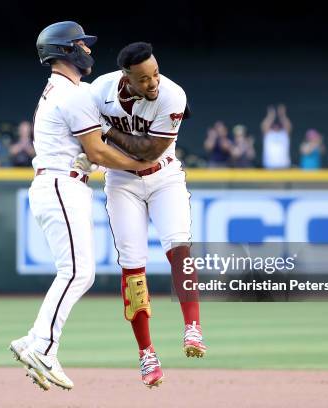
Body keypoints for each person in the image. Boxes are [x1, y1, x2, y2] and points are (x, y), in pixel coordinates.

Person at [8, 21, 153, 392]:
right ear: (66, 50)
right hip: (60, 183)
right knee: (76, 272)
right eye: (82, 45)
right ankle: (42, 346)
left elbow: (105, 96)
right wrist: (141, 165)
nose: (88, 50)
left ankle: (37, 342)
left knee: (76, 271)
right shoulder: (69, 94)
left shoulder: (71, 90)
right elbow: (97, 150)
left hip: (61, 183)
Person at [88, 42, 207, 387]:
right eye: (144, 79)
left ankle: (193, 327)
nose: (154, 82)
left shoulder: (172, 95)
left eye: (155, 72)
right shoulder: (99, 92)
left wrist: (106, 132)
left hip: (164, 176)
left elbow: (149, 152)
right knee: (133, 266)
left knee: (179, 248)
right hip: (121, 182)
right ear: (126, 78)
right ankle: (146, 353)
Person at [261, 104, 292, 169]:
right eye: (274, 126)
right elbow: (264, 126)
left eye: (278, 126)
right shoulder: (269, 135)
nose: (276, 127)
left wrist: (282, 115)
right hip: (269, 165)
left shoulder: (283, 134)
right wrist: (271, 116)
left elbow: (288, 126)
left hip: (284, 166)